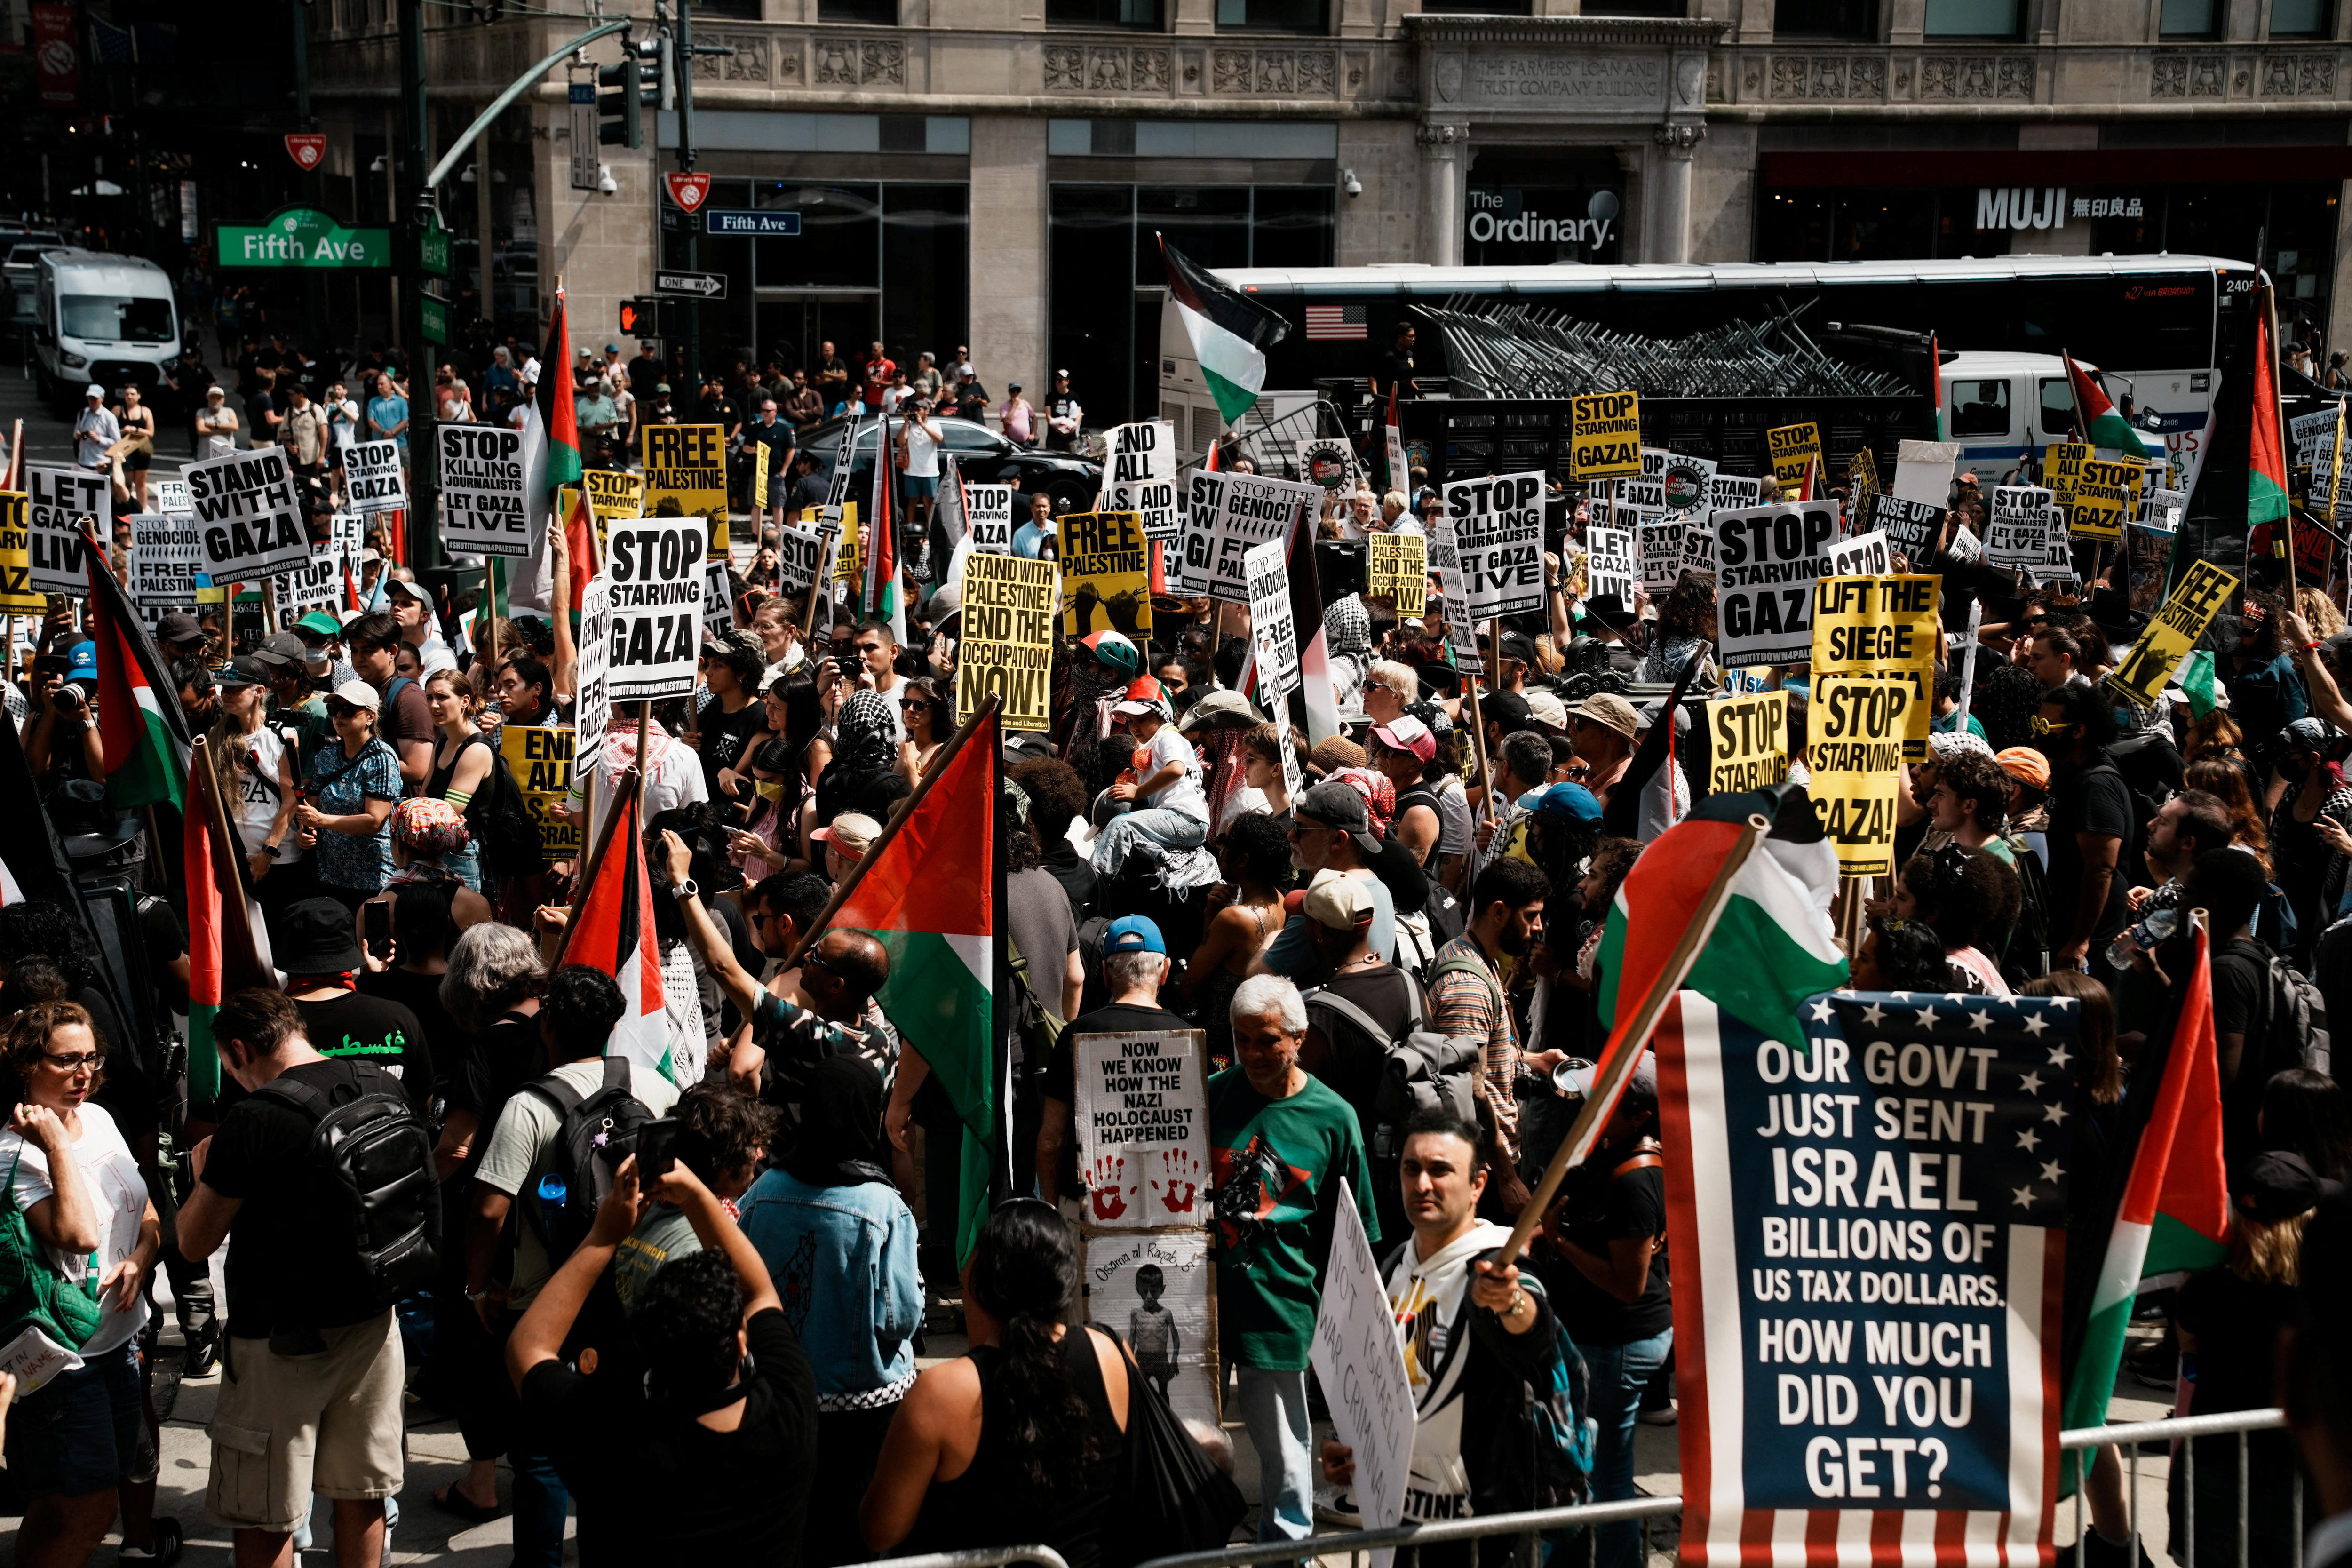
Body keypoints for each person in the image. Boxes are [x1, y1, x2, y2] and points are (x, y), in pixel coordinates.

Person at [175, 988, 427, 1568]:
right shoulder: (383, 1085)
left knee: (264, 1511)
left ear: (238, 1050)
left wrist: (201, 1173)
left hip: (277, 1342)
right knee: (362, 1493)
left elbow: (194, 1241)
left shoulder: (256, 1117)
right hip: (372, 1322)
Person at [508, 1154, 818, 1562]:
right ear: (742, 1342)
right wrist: (695, 1193)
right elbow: (759, 1293)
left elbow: (528, 1348)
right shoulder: (788, 1408)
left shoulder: (610, 1436)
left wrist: (603, 1235)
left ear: (650, 1350)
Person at [1320, 1111, 1560, 1542]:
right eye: (1412, 1168)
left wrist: (1512, 1303)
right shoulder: (1395, 1264)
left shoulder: (1496, 1266)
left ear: (1478, 1185)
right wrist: (1347, 1440)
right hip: (1396, 1523)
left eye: (1441, 1170)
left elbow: (1535, 1334)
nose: (1423, 1184)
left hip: (1478, 1531)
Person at [859, 1201, 1131, 1565]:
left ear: (980, 1287)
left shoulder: (940, 1394)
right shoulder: (1114, 1356)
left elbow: (880, 1530)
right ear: (1067, 1282)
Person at [1208, 973, 1381, 1543]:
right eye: (1242, 1040)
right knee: (1192, 1452)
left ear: (1299, 1038)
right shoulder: (1207, 1096)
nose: (1253, 1054)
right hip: (1199, 1311)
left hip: (1281, 1314)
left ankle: (1288, 1558)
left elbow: (1354, 1239)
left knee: (1285, 1463)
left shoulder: (1334, 1118)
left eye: (1268, 1041)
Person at [739, 1056, 923, 1567]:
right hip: (865, 1408)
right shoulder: (885, 1209)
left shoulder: (762, 1193)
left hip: (778, 1398)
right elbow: (901, 1318)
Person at [0, 1002, 165, 1568]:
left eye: (91, 1059)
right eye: (66, 1060)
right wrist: (57, 1148)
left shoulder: (99, 1118)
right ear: (27, 1064)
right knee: (90, 1508)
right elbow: (75, 1235)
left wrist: (143, 1257)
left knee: (64, 1503)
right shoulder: (14, 1151)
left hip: (120, 1340)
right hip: (63, 1360)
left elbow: (145, 1209)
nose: (84, 1074)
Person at [1532, 1052, 1670, 1568]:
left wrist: (1559, 1240)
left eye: (1606, 1098)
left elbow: (1628, 1285)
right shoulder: (1609, 1151)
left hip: (1618, 1342)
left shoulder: (1635, 1181)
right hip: (1597, 1334)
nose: (1591, 1103)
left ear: (1638, 1117)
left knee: (1605, 1473)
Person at [2168, 1151, 2328, 1568]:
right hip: (2298, 1475)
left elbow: (2189, 1345)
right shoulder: (2324, 1299)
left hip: (2214, 1466)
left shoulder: (2208, 1289)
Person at [1038, 916, 1190, 1210]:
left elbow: (1051, 1141)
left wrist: (1053, 1206)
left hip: (1090, 1206)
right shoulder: (1188, 1040)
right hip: (1169, 1206)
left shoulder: (1074, 1035)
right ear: (1165, 971)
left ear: (1105, 973)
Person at [1430, 858, 1546, 1202]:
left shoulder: (1472, 952)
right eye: (1530, 915)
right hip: (1484, 1171)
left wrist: (1534, 1060)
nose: (1539, 926)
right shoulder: (1468, 987)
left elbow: (1486, 1051)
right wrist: (1507, 1176)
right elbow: (1472, 1091)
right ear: (1499, 912)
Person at [2036, 678, 2131, 978]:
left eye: (2047, 727)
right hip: (2064, 917)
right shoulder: (2069, 771)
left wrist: (2079, 942)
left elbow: (2101, 868)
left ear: (2079, 732)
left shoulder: (2096, 785)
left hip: (2091, 934)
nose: (2038, 733)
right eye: (2037, 722)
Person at [296, 681, 403, 906]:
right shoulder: (326, 754)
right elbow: (312, 808)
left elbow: (374, 821)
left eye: (349, 710)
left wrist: (323, 821)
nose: (339, 717)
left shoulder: (382, 759)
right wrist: (304, 831)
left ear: (371, 717)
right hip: (328, 874)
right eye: (334, 710)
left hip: (371, 877)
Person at [1089, 683, 1210, 875]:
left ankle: (1092, 882)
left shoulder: (1168, 738)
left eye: (1142, 720)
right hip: (1176, 819)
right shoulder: (1154, 744)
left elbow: (1176, 770)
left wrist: (1138, 792)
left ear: (1163, 717)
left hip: (1186, 819)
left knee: (1123, 824)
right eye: (1130, 721)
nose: (1135, 727)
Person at [421, 667, 493, 892]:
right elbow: (424, 797)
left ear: (465, 701)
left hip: (463, 855)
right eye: (430, 698)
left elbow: (450, 812)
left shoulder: (476, 749)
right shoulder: (441, 744)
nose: (434, 705)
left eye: (442, 697)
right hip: (435, 846)